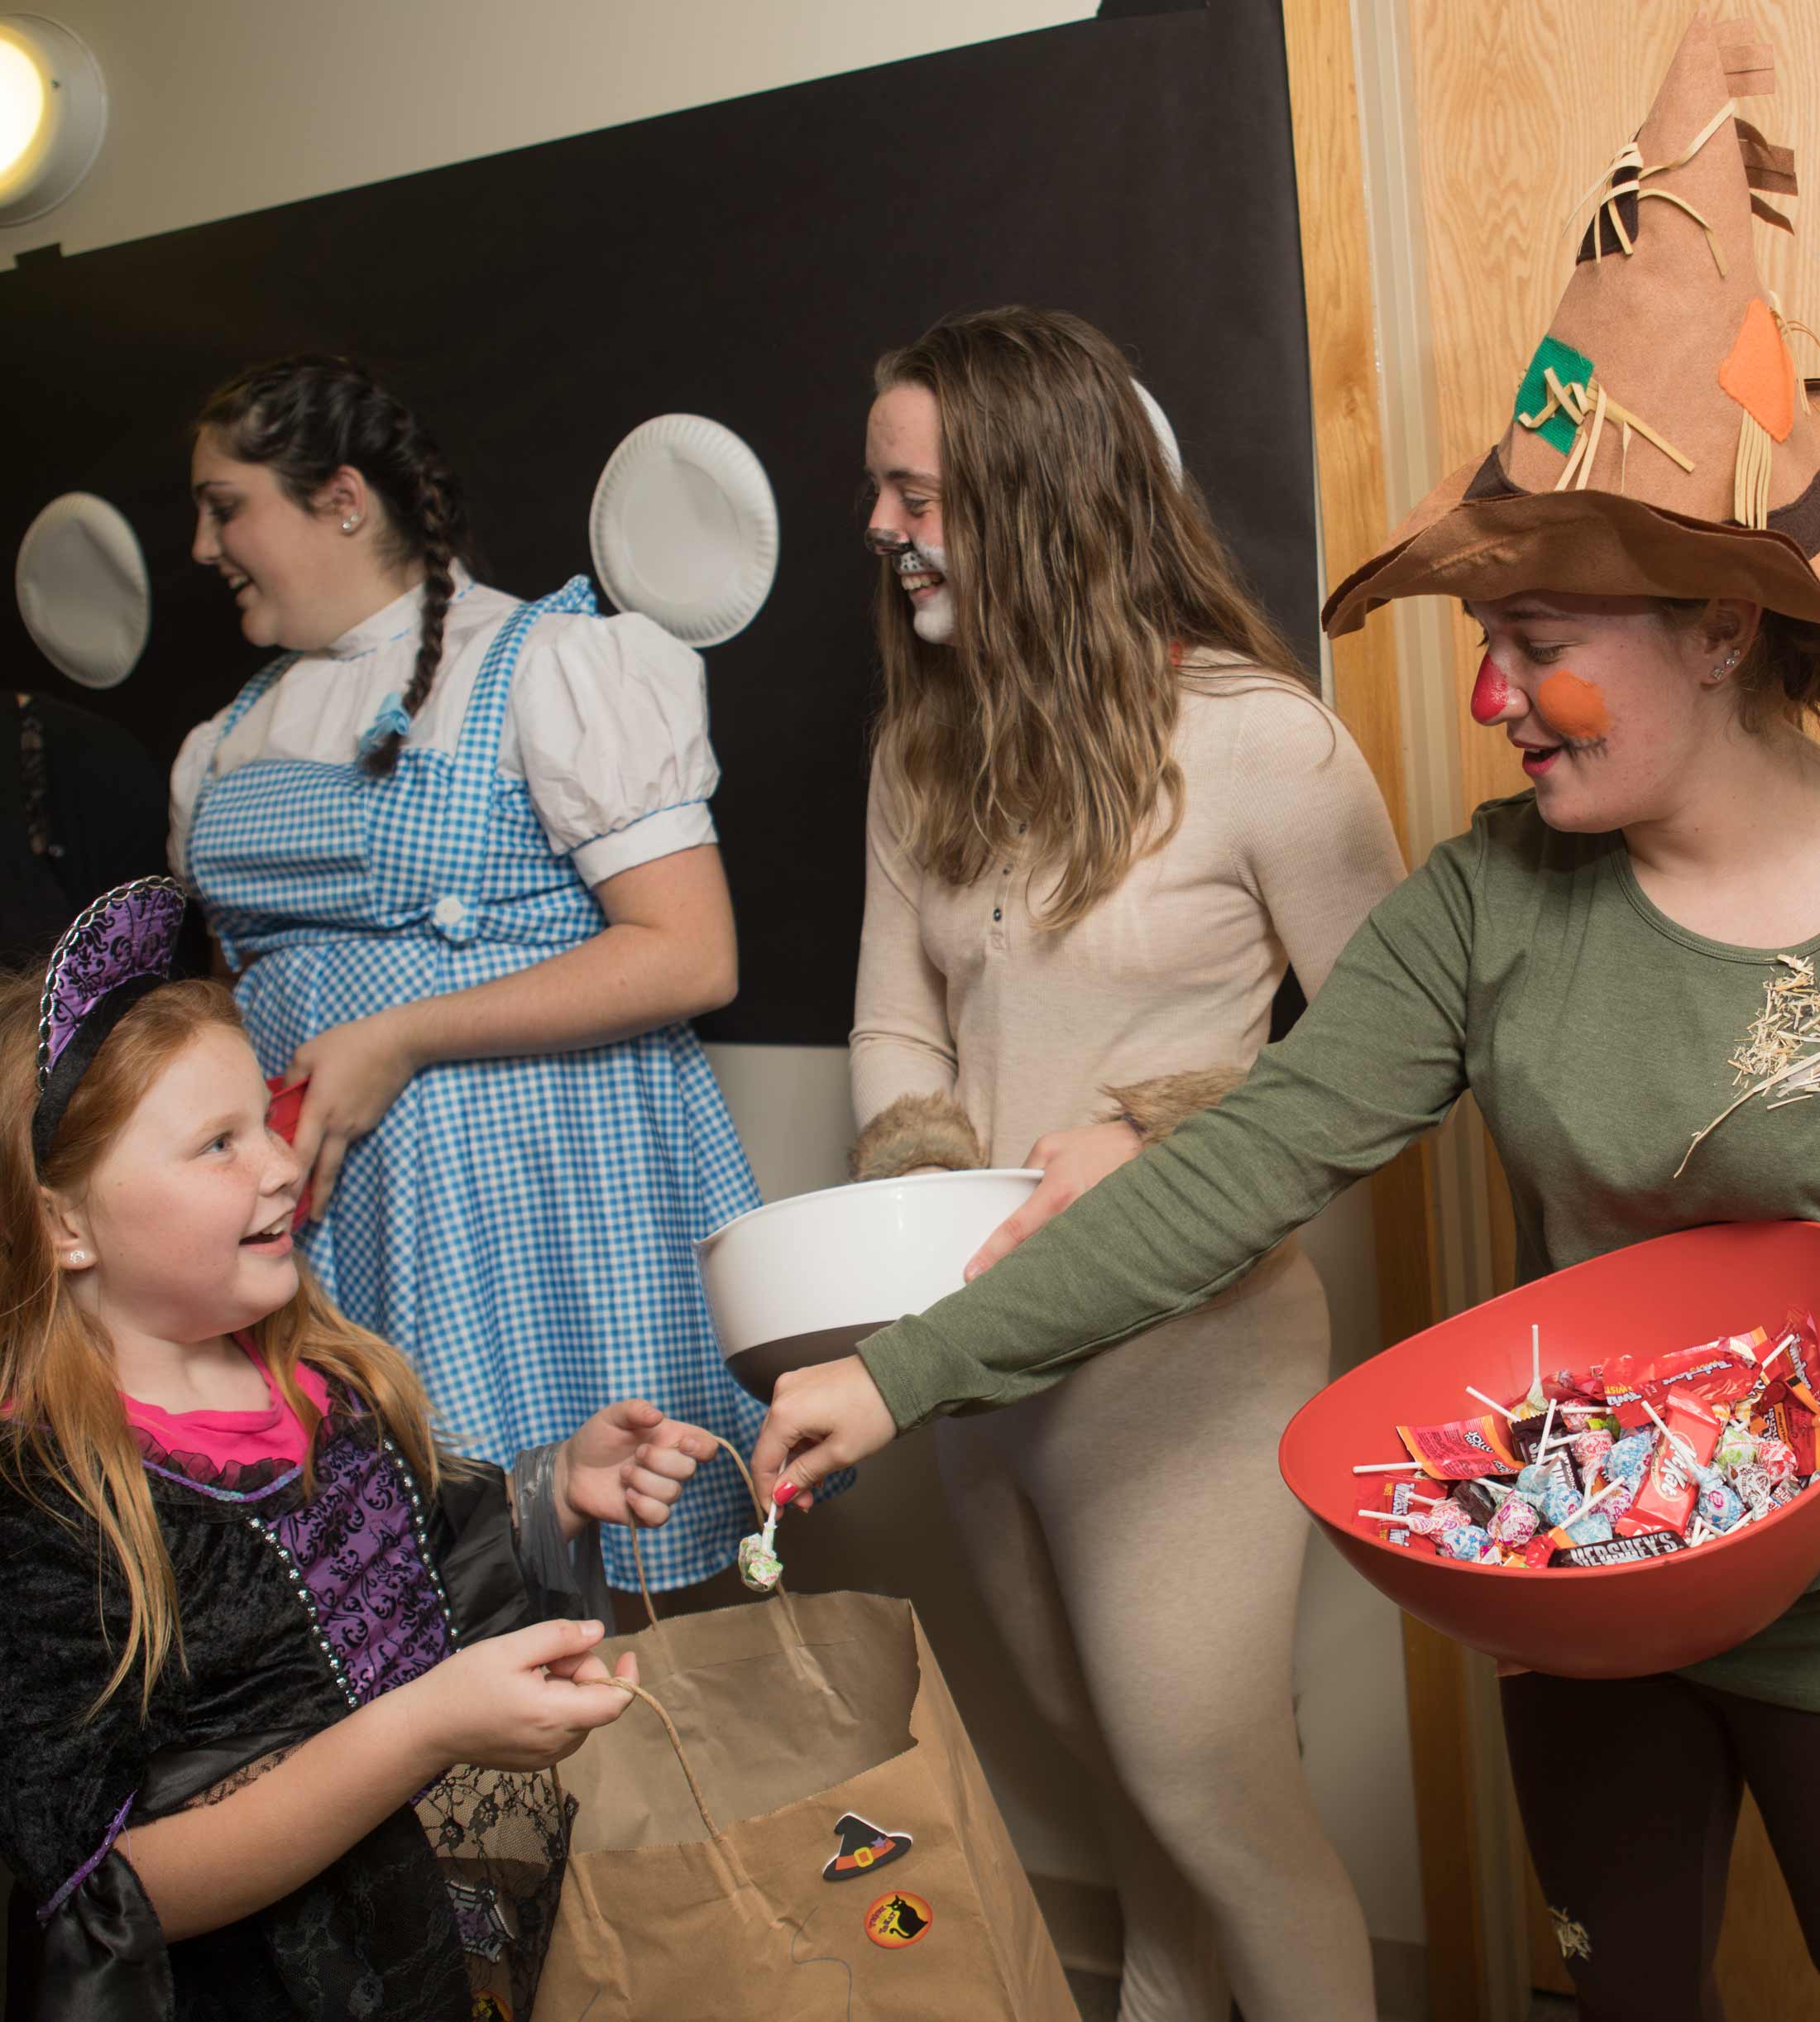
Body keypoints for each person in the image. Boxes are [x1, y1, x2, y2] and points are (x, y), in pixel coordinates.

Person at [756, 24, 1820, 2020]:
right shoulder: (1483, 904)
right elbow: (1241, 1153)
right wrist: (902, 1377)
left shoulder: (1261, 757)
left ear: (1716, 622)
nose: (1488, 703)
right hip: (1589, 1593)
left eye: (1535, 647)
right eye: (1480, 648)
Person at [846, 307, 1406, 2022]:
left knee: (1209, 1795)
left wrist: (1155, 1135)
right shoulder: (920, 746)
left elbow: (1390, 1048)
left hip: (1192, 1350)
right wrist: (921, 1193)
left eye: (911, 491)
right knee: (1112, 1777)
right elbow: (895, 1033)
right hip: (986, 1351)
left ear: (1036, 497)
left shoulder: (1267, 745)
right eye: (878, 492)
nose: (879, 528)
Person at [0, 878, 716, 2020]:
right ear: (64, 1224)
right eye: (216, 1145)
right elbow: (107, 1889)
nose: (282, 1166)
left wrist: (558, 1492)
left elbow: (424, 1558)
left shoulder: (321, 1383)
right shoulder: (48, 1505)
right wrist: (422, 1728)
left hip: (439, 1948)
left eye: (266, 1121)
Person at [170, 356, 767, 1600]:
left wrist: (403, 1036)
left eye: (226, 507)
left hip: (537, 1209)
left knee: (600, 1601)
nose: (201, 545)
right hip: (334, 1226)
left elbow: (691, 952)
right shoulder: (228, 737)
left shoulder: (549, 664)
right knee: (396, 1602)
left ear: (340, 500)